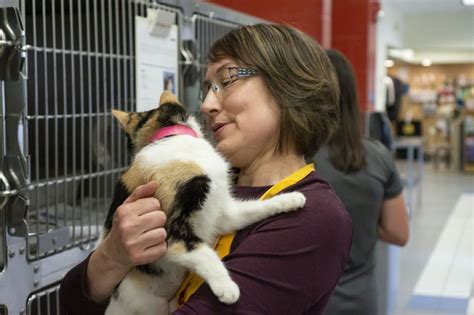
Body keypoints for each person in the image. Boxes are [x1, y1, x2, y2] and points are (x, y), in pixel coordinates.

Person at [59, 24, 352, 314]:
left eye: (227, 80)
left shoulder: (315, 218)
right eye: (206, 89)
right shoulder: (206, 182)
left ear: (287, 87)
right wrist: (112, 254)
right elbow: (72, 301)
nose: (207, 105)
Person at [312, 49, 409, 315]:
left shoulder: (290, 160)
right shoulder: (378, 156)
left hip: (308, 303)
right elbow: (399, 233)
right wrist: (360, 222)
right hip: (361, 303)